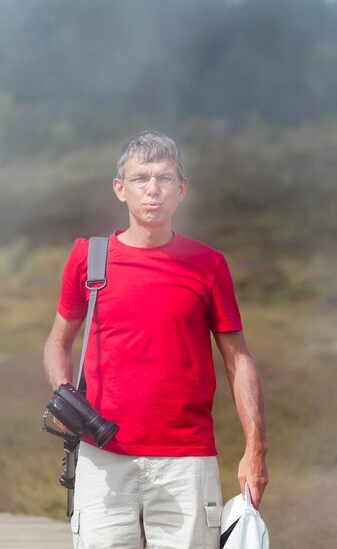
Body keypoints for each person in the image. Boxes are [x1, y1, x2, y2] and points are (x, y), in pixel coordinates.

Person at [44, 131, 268, 549]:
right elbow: (58, 341)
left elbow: (239, 360)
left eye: (164, 179)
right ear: (120, 189)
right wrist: (63, 395)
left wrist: (255, 451)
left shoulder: (209, 265)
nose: (152, 190)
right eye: (140, 178)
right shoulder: (88, 258)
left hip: (187, 463)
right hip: (102, 459)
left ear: (181, 189)